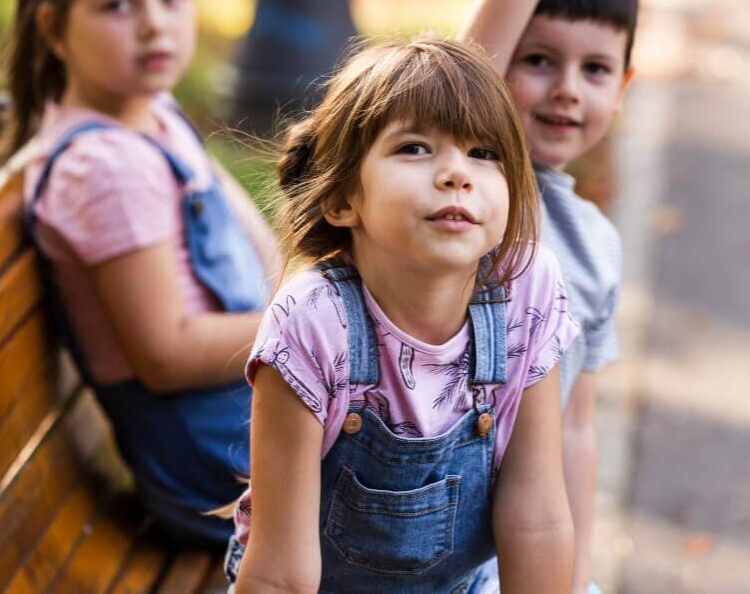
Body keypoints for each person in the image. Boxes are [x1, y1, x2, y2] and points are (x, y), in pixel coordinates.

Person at [222, 36, 580, 594]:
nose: (456, 173)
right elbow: (280, 574)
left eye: (484, 153)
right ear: (342, 200)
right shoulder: (313, 322)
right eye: (415, 148)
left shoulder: (525, 288)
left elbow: (535, 513)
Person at [5, 0, 281, 546]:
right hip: (217, 469)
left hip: (242, 426)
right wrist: (310, 325)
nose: (155, 24)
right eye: (117, 5)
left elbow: (253, 240)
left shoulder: (151, 113)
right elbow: (166, 355)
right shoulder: (105, 168)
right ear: (53, 30)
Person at [459, 0, 639, 592]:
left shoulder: (595, 243)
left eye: (594, 70)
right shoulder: (474, 178)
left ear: (622, 88)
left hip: (527, 549)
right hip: (424, 537)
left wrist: (575, 575)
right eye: (537, 59)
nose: (567, 90)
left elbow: (576, 425)